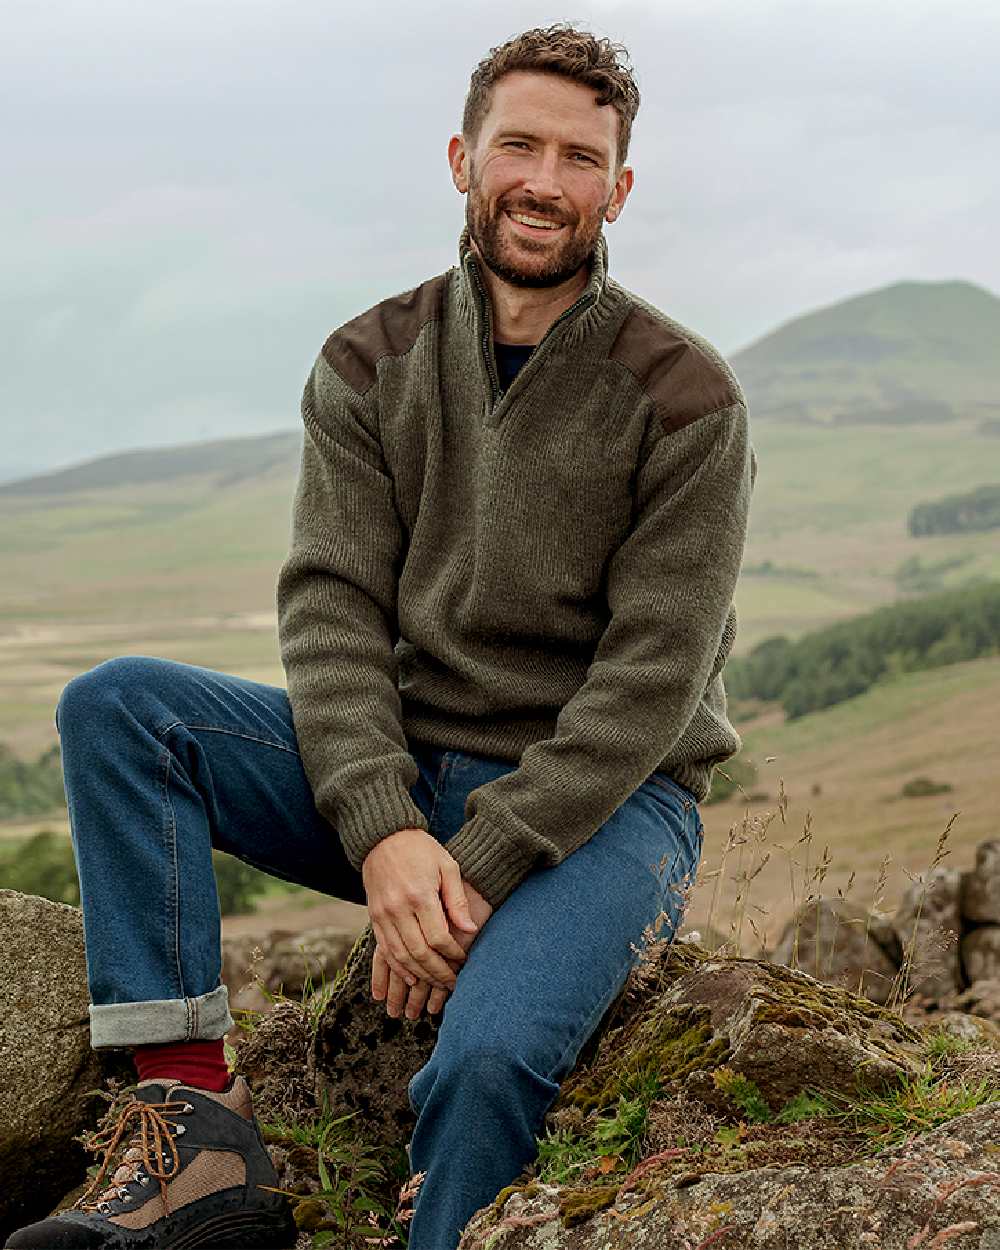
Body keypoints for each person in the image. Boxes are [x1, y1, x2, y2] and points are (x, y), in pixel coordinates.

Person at [5, 24, 754, 1250]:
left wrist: (471, 871)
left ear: (618, 189)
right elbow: (331, 607)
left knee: (486, 1061)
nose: (543, 180)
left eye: (579, 157)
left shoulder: (685, 395)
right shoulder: (366, 360)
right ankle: (193, 1130)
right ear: (462, 158)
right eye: (518, 144)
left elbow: (655, 678)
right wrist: (386, 830)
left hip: (609, 807)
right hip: (408, 767)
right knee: (121, 706)